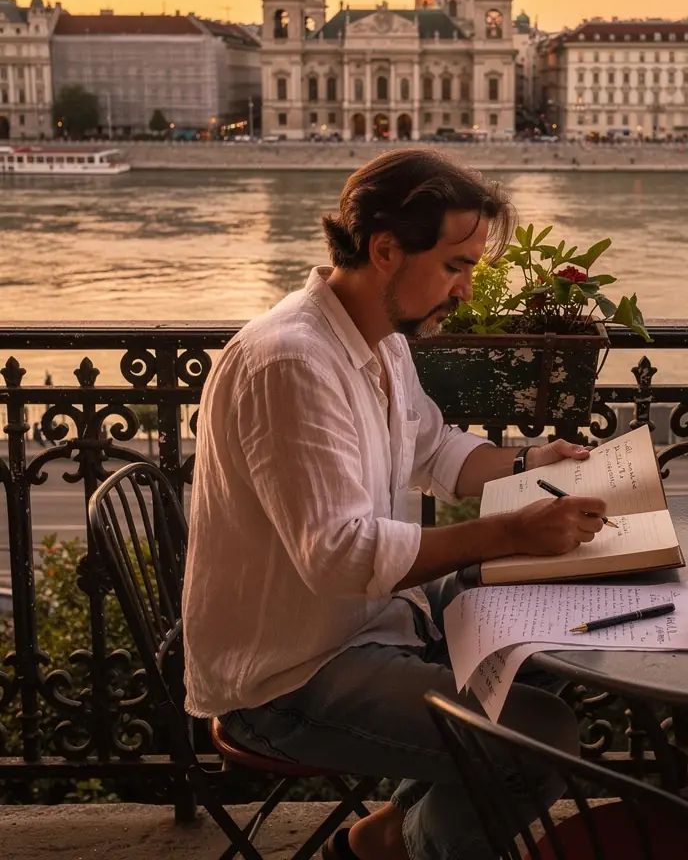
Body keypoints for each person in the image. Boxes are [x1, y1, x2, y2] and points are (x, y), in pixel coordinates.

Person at [182, 148, 607, 860]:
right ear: (385, 249)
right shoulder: (292, 362)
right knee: (539, 738)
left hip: (361, 621)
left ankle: (385, 837)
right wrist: (505, 532)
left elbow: (434, 453)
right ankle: (402, 847)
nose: (467, 291)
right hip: (289, 671)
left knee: (547, 619)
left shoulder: (381, 343)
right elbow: (339, 554)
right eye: (455, 265)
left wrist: (536, 463)